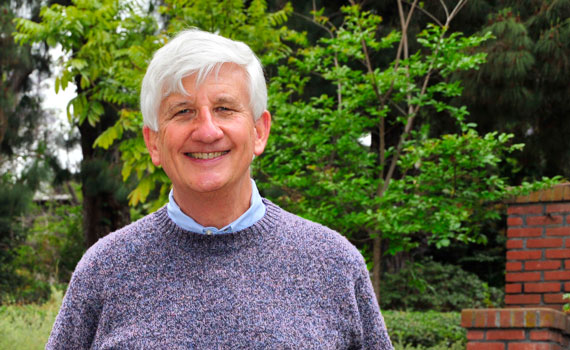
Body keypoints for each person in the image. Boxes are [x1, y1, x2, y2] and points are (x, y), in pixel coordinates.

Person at [46, 29, 393, 349]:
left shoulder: (334, 264)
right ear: (153, 143)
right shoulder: (104, 270)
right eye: (183, 112)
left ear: (259, 131)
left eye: (225, 109)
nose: (207, 131)